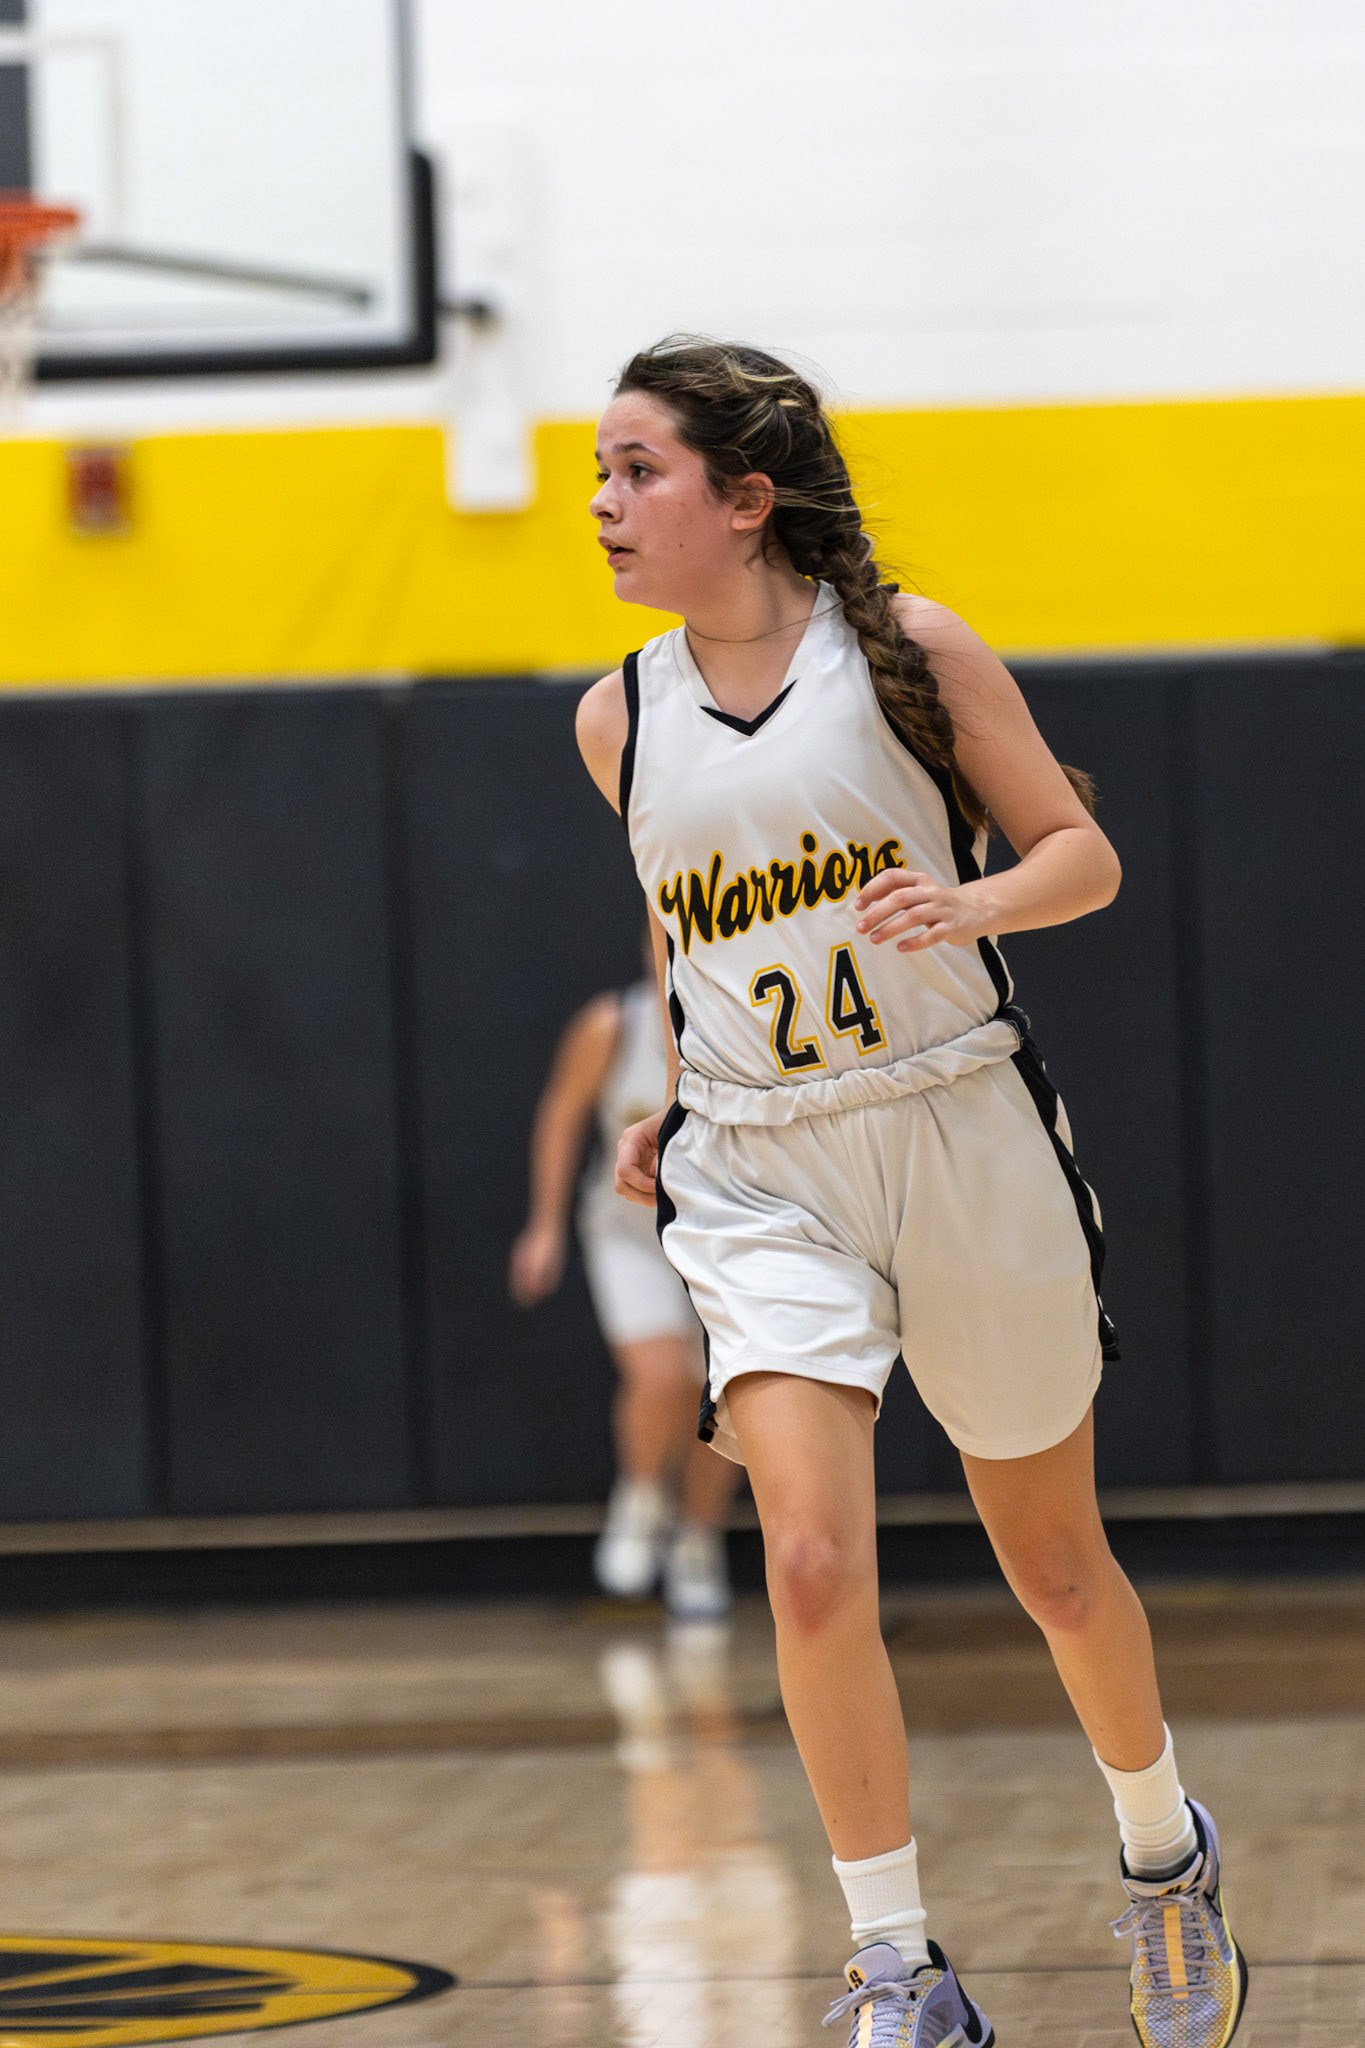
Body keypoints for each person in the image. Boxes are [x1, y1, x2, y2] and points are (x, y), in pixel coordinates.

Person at [574, 336, 1247, 2048]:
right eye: (600, 473)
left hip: (957, 1126)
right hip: (759, 1170)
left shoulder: (908, 650)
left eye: (640, 470)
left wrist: (976, 905)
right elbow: (681, 928)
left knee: (1056, 1567)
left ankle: (1163, 1852)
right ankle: (900, 1964)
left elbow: (1081, 852)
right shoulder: (617, 716)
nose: (605, 503)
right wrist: (675, 1093)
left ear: (747, 495)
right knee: (808, 1560)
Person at [509, 944, 740, 1619]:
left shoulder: (748, 1022)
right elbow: (561, 1113)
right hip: (629, 1234)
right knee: (662, 1376)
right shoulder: (612, 1025)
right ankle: (641, 1496)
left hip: (728, 1236)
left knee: (728, 1397)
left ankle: (696, 1539)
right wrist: (544, 1226)